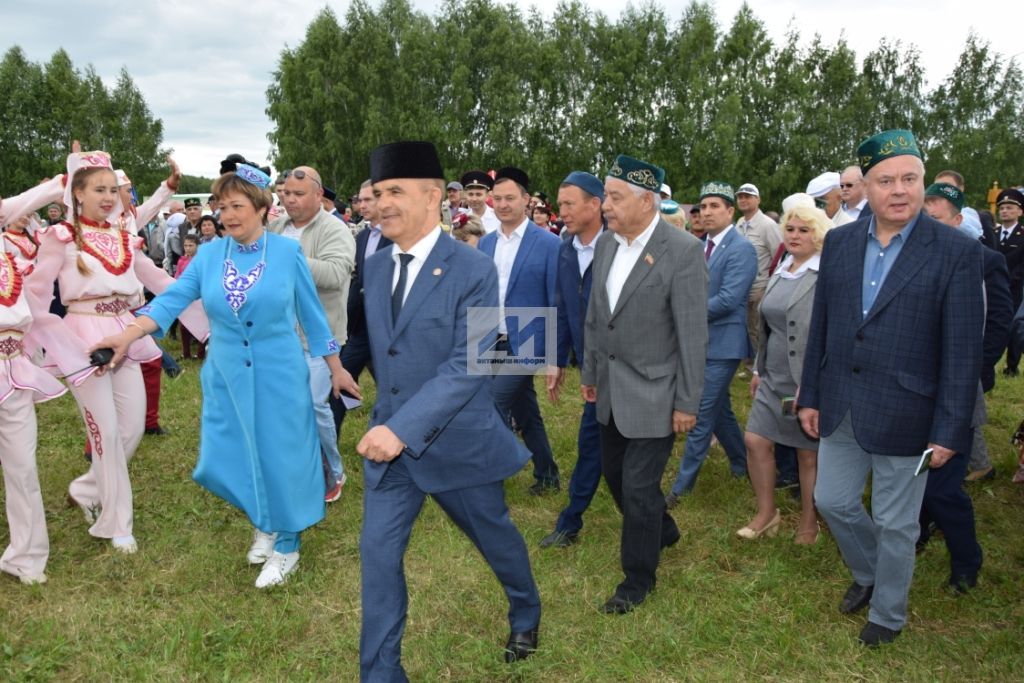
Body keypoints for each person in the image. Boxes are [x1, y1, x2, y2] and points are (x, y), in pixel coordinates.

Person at [92, 164, 359, 589]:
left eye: (237, 205)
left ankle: (287, 543)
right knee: (231, 455)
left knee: (281, 455)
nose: (228, 214)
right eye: (223, 206)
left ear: (261, 208)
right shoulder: (211, 255)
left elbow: (313, 317)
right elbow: (173, 299)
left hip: (281, 372)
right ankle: (265, 521)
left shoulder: (288, 254)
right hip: (226, 374)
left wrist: (336, 368)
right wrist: (129, 333)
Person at [357, 141, 541, 678]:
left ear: (434, 196)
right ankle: (382, 674)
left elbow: (472, 362)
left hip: (455, 441)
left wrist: (402, 428)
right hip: (390, 451)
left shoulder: (473, 268)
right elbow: (376, 343)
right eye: (378, 192)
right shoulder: (372, 265)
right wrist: (337, 372)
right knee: (378, 560)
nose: (382, 202)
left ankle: (526, 608)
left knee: (494, 535)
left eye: (396, 192)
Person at [798, 130, 984, 646]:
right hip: (842, 402)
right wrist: (810, 392)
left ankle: (888, 612)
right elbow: (826, 326)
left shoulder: (955, 252)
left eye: (910, 178)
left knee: (896, 520)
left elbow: (962, 352)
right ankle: (871, 571)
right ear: (864, 186)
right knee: (833, 500)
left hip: (911, 410)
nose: (899, 190)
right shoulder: (839, 241)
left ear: (924, 181)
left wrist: (950, 427)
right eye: (885, 181)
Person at [26, 150, 208, 555]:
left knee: (132, 428)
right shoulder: (59, 238)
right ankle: (117, 521)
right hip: (83, 336)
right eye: (99, 190)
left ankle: (87, 487)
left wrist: (207, 320)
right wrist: (39, 344)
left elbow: (160, 280)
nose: (109, 197)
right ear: (77, 193)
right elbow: (37, 295)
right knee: (104, 431)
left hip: (126, 331)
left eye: (113, 189)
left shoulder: (127, 236)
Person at [581, 154, 708, 613]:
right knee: (614, 476)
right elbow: (597, 317)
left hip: (658, 391)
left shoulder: (683, 251)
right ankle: (663, 527)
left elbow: (693, 335)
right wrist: (591, 374)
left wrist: (687, 402)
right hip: (611, 387)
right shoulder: (606, 246)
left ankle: (637, 580)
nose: (606, 206)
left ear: (647, 201)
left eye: (614, 197)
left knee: (637, 486)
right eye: (606, 196)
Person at [915, 182, 1011, 590]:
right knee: (911, 477)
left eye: (935, 220)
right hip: (911, 392)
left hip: (955, 391)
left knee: (941, 485)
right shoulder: (908, 259)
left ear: (957, 220)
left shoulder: (982, 260)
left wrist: (973, 372)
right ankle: (918, 532)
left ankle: (966, 561)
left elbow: (998, 322)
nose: (927, 228)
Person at [739, 205, 830, 544]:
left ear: (818, 235)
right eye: (790, 229)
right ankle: (766, 513)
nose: (794, 235)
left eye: (803, 230)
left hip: (806, 378)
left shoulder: (824, 276)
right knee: (755, 440)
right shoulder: (782, 268)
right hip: (772, 374)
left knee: (808, 453)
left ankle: (809, 520)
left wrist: (817, 383)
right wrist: (759, 368)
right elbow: (768, 327)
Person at [269, 165, 356, 503]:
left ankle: (333, 470)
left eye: (298, 194)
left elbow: (336, 275)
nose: (289, 199)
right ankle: (298, 468)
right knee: (287, 407)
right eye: (286, 193)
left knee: (312, 406)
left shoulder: (335, 230)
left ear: (318, 195)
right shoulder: (276, 227)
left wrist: (290, 258)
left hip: (320, 339)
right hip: (277, 335)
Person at [668, 181, 757, 501]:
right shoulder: (699, 244)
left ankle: (681, 489)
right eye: (703, 207)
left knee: (700, 411)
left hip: (724, 344)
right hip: (698, 341)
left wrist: (683, 313)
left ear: (731, 211)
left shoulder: (741, 248)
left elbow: (730, 299)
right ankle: (742, 462)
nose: (706, 212)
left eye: (714, 206)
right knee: (720, 411)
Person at [478, 167, 562, 495]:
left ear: (526, 200)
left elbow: (557, 300)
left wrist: (554, 355)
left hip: (529, 332)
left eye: (510, 198)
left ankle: (490, 478)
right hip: (487, 333)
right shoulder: (485, 243)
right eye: (497, 198)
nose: (502, 204)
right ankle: (547, 474)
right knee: (525, 410)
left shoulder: (548, 243)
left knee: (494, 403)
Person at [0, 235, 72, 586]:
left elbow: (39, 316)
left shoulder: (12, 262)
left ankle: (25, 556)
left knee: (23, 467)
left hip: (14, 373)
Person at [539, 171, 606, 548]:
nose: (561, 210)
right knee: (592, 445)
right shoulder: (565, 247)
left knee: (622, 459)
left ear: (595, 205)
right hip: (592, 371)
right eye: (559, 203)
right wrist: (557, 359)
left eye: (569, 203)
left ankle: (660, 527)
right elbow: (562, 306)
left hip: (624, 369)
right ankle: (571, 521)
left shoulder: (619, 246)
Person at [334, 180, 391, 437]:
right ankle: (326, 446)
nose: (362, 205)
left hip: (388, 328)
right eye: (360, 199)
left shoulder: (397, 237)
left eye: (369, 199)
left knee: (393, 389)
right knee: (339, 383)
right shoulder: (362, 236)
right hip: (359, 327)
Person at [995, 188, 1024, 376]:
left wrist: (1010, 280)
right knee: (994, 323)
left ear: (1020, 212)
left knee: (1015, 327)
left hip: (1015, 287)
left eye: (1010, 207)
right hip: (994, 287)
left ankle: (1012, 366)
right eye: (1003, 208)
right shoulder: (992, 233)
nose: (1005, 211)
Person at [175, 235, 205, 360]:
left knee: (202, 326)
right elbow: (177, 276)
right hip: (185, 297)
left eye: (191, 245)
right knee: (184, 326)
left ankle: (201, 354)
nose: (187, 248)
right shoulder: (182, 260)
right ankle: (186, 353)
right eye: (186, 245)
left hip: (198, 297)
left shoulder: (202, 261)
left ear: (198, 246)